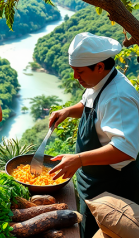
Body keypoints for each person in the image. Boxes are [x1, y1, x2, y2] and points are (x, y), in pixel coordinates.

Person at [48, 32, 139, 238]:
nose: (75, 77)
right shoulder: (99, 82)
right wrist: (69, 111)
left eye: (79, 72)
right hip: (92, 181)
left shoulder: (118, 97)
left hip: (111, 190)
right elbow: (89, 105)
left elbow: (125, 149)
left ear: (99, 66)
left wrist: (79, 159)